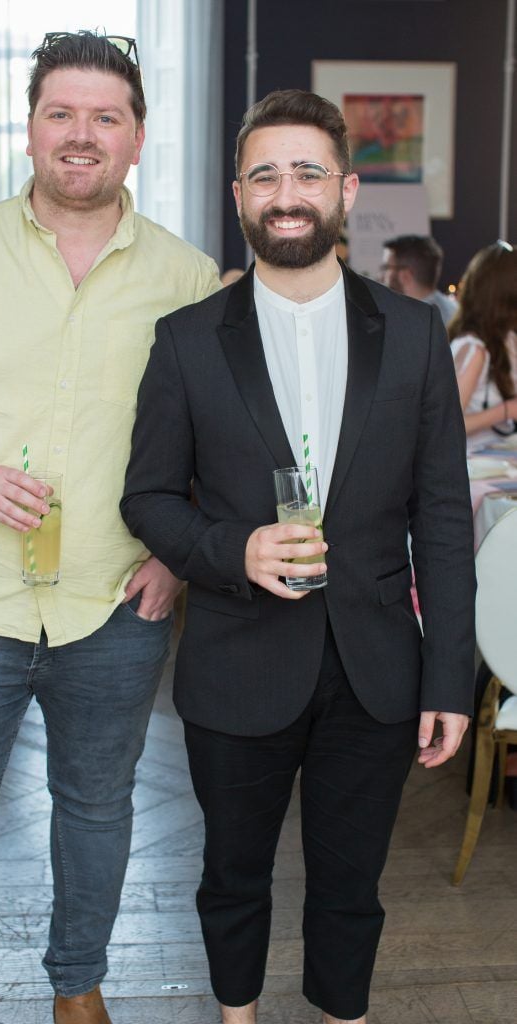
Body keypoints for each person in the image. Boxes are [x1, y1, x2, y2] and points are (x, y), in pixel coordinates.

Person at [0, 30, 219, 1024]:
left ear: (137, 138)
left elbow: (219, 444)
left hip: (114, 601)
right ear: (29, 128)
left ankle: (77, 985)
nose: (81, 135)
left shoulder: (186, 279)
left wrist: (174, 554)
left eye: (106, 116)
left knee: (98, 809)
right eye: (61, 112)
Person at [121, 89, 476, 1024]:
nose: (288, 191)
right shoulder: (187, 341)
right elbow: (147, 498)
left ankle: (339, 1013)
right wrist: (229, 547)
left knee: (351, 884)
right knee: (231, 875)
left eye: (308, 171)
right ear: (238, 194)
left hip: (375, 671)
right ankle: (234, 1014)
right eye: (266, 173)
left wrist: (448, 680)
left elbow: (442, 517)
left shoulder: (411, 335)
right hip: (236, 662)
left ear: (347, 190)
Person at [447, 240, 517, 451]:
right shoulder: (473, 349)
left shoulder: (507, 338)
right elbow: (448, 426)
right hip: (474, 464)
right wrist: (506, 411)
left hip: (499, 460)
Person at [380, 233, 457, 325]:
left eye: (386, 268)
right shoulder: (455, 313)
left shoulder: (407, 323)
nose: (381, 276)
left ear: (405, 276)